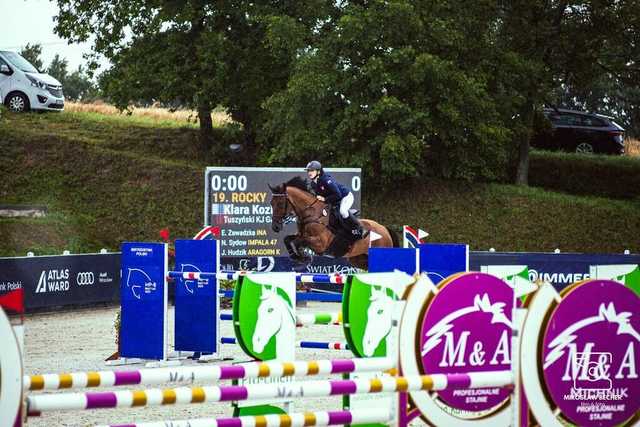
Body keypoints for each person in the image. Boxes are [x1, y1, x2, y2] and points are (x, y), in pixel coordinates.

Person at [305, 160, 363, 239]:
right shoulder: (313, 184)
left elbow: (338, 194)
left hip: (345, 197)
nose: (309, 172)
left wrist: (325, 199)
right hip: (334, 200)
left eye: (312, 170)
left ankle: (358, 228)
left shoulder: (326, 180)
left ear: (318, 171)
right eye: (308, 171)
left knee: (343, 211)